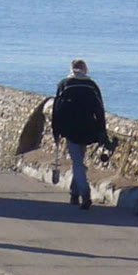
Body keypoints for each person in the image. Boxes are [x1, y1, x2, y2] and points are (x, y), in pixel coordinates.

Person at [51, 59, 111, 209]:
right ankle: (74, 193)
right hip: (88, 128)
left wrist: (56, 131)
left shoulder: (64, 84)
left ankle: (84, 193)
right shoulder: (91, 85)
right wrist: (102, 131)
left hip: (70, 128)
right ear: (85, 69)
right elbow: (99, 110)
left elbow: (56, 109)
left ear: (71, 69)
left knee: (77, 161)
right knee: (79, 160)